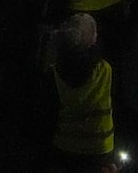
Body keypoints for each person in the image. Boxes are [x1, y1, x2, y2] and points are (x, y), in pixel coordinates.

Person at [43, 13, 115, 171]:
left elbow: (48, 114)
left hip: (65, 145)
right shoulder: (105, 70)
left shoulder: (54, 74)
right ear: (93, 40)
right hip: (100, 147)